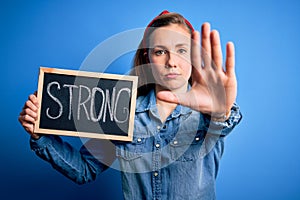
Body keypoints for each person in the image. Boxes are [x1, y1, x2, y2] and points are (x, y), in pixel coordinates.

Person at [19, 10, 242, 200]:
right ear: (147, 57)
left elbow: (223, 123)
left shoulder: (209, 114)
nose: (171, 61)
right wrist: (41, 137)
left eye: (182, 50)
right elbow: (84, 170)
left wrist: (221, 111)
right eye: (160, 51)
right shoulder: (121, 111)